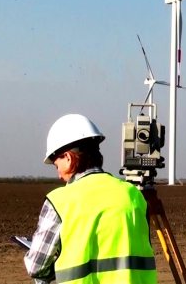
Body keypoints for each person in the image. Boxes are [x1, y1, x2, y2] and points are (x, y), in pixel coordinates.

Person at [24, 113, 157, 284]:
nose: (58, 175)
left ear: (69, 158)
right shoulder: (133, 195)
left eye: (57, 166)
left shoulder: (60, 202)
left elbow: (36, 266)